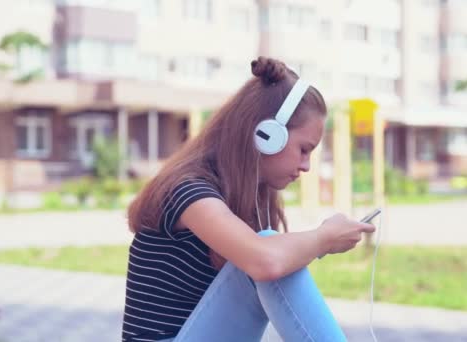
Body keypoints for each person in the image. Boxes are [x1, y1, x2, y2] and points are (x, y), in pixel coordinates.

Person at [122, 57, 376, 342]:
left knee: (271, 252)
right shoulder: (187, 190)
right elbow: (264, 261)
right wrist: (323, 239)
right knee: (268, 253)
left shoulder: (246, 197)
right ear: (267, 136)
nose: (306, 166)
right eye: (303, 149)